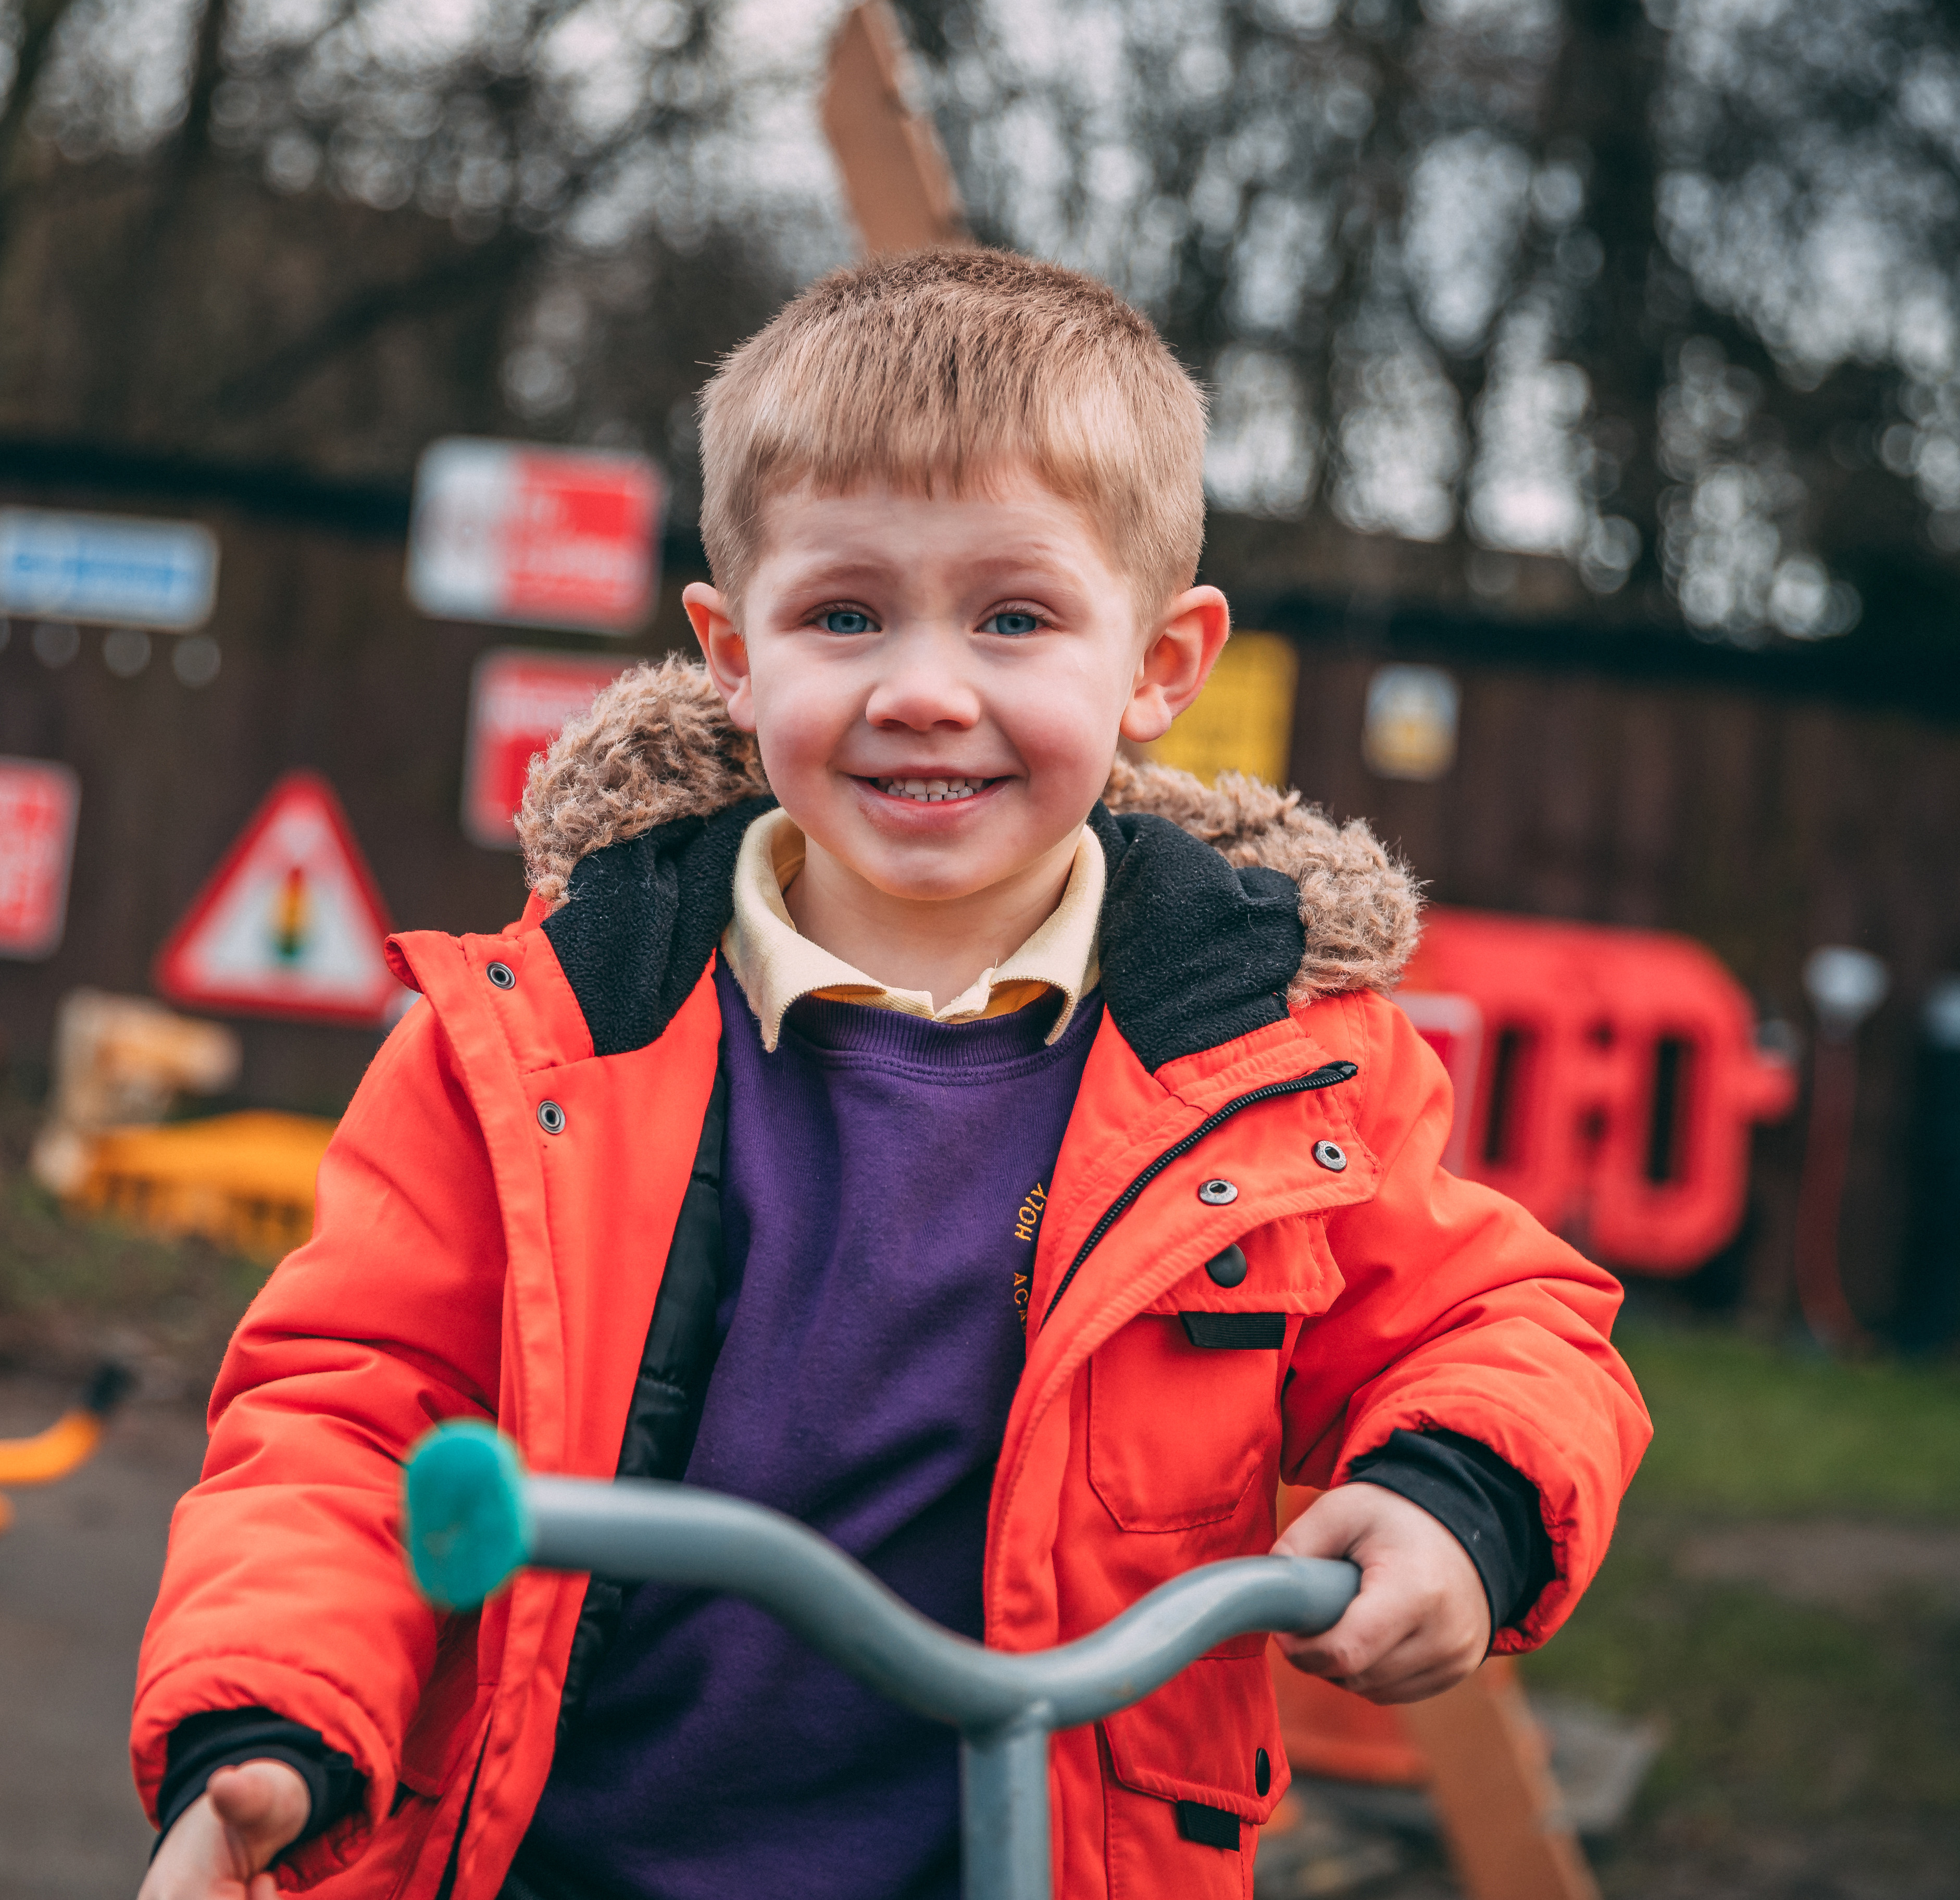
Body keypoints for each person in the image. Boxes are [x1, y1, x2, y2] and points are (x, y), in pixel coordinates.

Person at [132, 248, 1650, 1900]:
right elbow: (352, 1410)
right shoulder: (545, 1036)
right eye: (845, 616)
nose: (925, 692)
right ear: (732, 651)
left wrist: (1457, 1500)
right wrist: (271, 1724)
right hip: (553, 1862)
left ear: (1162, 665)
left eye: (1016, 619)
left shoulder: (1277, 1069)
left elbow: (1501, 1325)